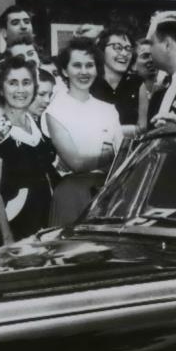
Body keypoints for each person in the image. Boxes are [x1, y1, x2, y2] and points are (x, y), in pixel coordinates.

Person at [44, 37, 123, 226]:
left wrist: (111, 156)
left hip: (109, 193)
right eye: (77, 65)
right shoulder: (55, 110)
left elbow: (122, 161)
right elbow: (76, 163)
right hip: (72, 195)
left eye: (90, 65)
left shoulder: (108, 109)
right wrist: (110, 155)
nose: (84, 72)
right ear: (65, 70)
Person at [0, 56, 57, 245]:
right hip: (11, 226)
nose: (21, 90)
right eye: (13, 83)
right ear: (1, 88)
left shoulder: (36, 124)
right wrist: (7, 238)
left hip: (40, 223)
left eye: (26, 82)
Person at [90, 25, 143, 132]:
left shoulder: (137, 83)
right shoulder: (89, 83)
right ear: (101, 50)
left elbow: (142, 128)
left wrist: (108, 131)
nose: (124, 53)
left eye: (128, 49)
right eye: (117, 47)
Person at [134, 38, 163, 131]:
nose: (151, 60)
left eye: (153, 55)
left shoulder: (166, 90)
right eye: (145, 56)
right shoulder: (129, 95)